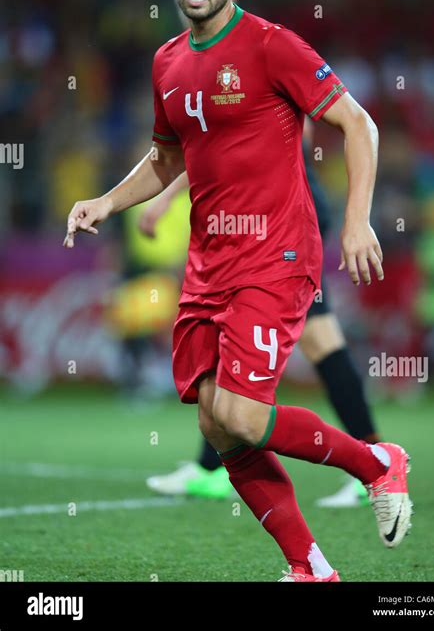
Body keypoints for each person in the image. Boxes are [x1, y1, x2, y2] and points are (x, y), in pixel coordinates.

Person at [64, 0, 412, 582]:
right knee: (219, 424)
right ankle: (310, 567)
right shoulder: (166, 61)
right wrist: (106, 201)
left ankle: (377, 462)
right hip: (207, 267)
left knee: (245, 417)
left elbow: (358, 123)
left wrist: (357, 219)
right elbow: (169, 158)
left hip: (275, 257)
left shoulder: (272, 45)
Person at [142, 136, 381, 508]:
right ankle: (211, 468)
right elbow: (222, 146)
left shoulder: (270, 83)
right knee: (307, 338)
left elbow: (251, 141)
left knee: (317, 340)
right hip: (271, 211)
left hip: (284, 216)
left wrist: (166, 196)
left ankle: (374, 462)